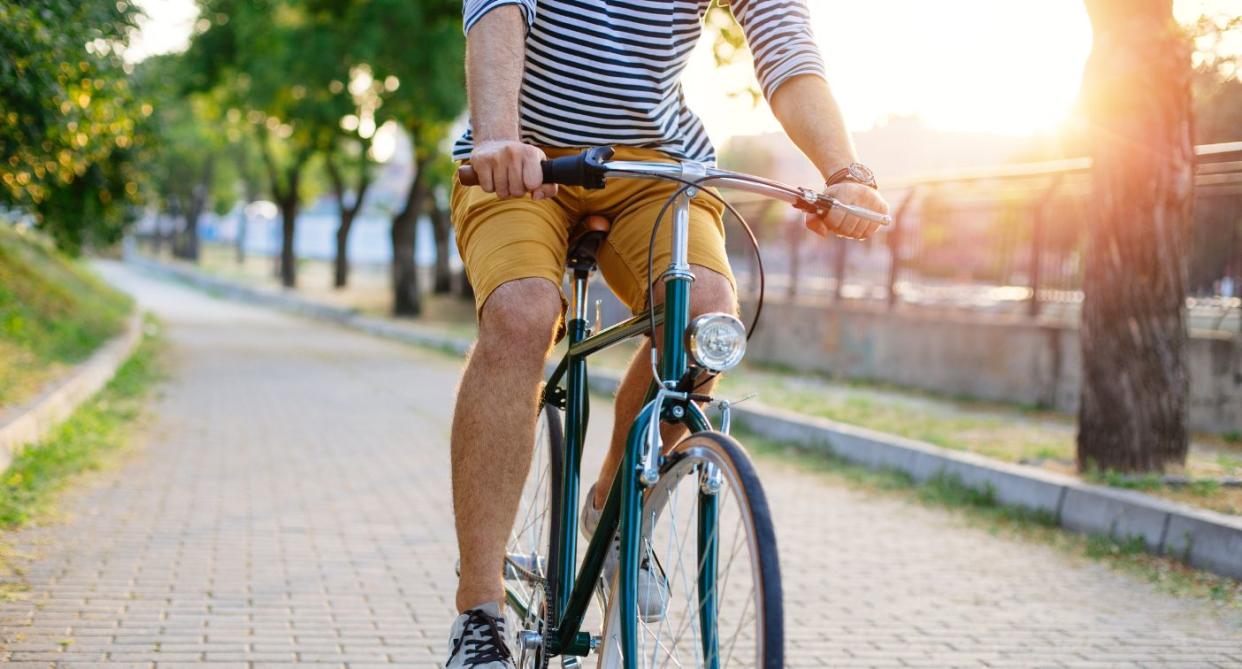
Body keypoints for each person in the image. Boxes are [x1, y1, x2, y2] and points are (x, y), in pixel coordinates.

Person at [446, 0, 891, 665]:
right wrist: (497, 135)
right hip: (520, 153)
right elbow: (499, 9)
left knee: (706, 318)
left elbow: (783, 41)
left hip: (651, 166)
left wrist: (845, 171)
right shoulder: (506, 140)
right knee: (522, 313)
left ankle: (614, 509)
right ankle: (478, 616)